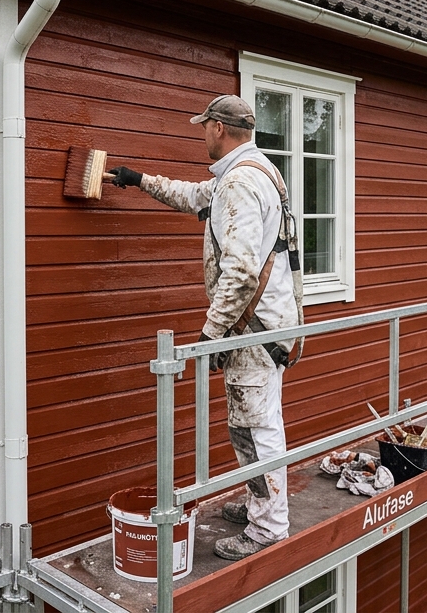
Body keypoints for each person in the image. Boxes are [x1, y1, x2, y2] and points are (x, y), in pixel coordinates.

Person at [108, 93, 303, 562]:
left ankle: (269, 526)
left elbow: (241, 271)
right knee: (252, 423)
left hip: (252, 328)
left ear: (218, 128)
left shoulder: (239, 182)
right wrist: (139, 180)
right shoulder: (257, 172)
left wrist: (211, 334)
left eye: (204, 128)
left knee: (255, 427)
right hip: (268, 323)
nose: (203, 135)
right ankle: (261, 503)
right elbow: (195, 197)